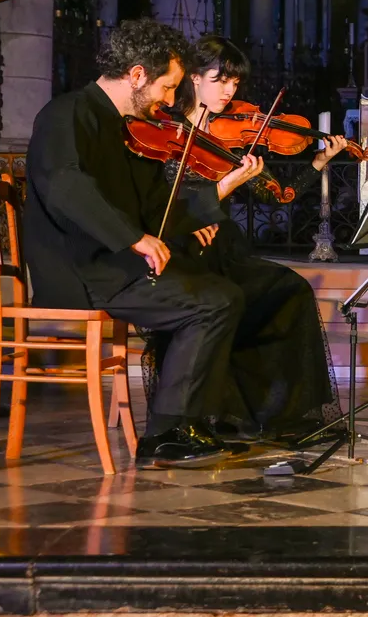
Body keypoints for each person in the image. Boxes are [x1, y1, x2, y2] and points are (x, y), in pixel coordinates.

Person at [23, 18, 265, 468]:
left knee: (225, 292)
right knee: (211, 302)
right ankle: (167, 432)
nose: (172, 101)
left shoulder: (130, 129)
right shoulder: (67, 113)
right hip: (81, 270)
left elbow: (157, 209)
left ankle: (195, 420)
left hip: (114, 264)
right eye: (168, 88)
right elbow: (64, 186)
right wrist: (133, 238)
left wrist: (209, 203)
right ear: (137, 75)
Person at [139, 34, 350, 446]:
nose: (229, 91)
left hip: (225, 247)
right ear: (193, 78)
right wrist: (223, 185)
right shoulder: (163, 132)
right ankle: (214, 416)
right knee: (221, 302)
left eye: (235, 84)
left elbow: (280, 194)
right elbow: (159, 200)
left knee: (291, 290)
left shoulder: (234, 139)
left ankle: (283, 415)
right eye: (221, 80)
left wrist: (317, 163)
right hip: (181, 248)